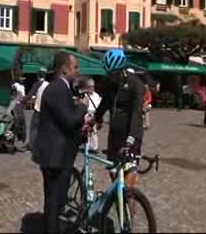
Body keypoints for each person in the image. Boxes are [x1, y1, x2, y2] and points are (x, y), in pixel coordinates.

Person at [32, 52, 88, 233]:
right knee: (54, 203)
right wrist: (82, 106)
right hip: (55, 157)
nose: (77, 72)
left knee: (54, 202)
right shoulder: (57, 89)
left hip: (57, 154)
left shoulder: (61, 88)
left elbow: (66, 122)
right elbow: (69, 120)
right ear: (65, 69)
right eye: (75, 67)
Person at [92, 49, 145, 191]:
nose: (111, 77)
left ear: (121, 69)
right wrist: (94, 120)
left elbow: (136, 113)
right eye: (109, 73)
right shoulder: (109, 84)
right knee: (115, 177)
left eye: (114, 73)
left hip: (131, 135)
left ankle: (129, 211)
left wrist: (131, 139)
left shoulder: (136, 84)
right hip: (114, 135)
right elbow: (103, 105)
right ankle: (119, 207)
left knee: (128, 186)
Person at [24, 68, 49, 151]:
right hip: (46, 111)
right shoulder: (48, 84)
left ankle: (32, 146)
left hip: (38, 110)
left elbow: (30, 94)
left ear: (38, 75)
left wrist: (22, 101)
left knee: (33, 128)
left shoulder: (38, 83)